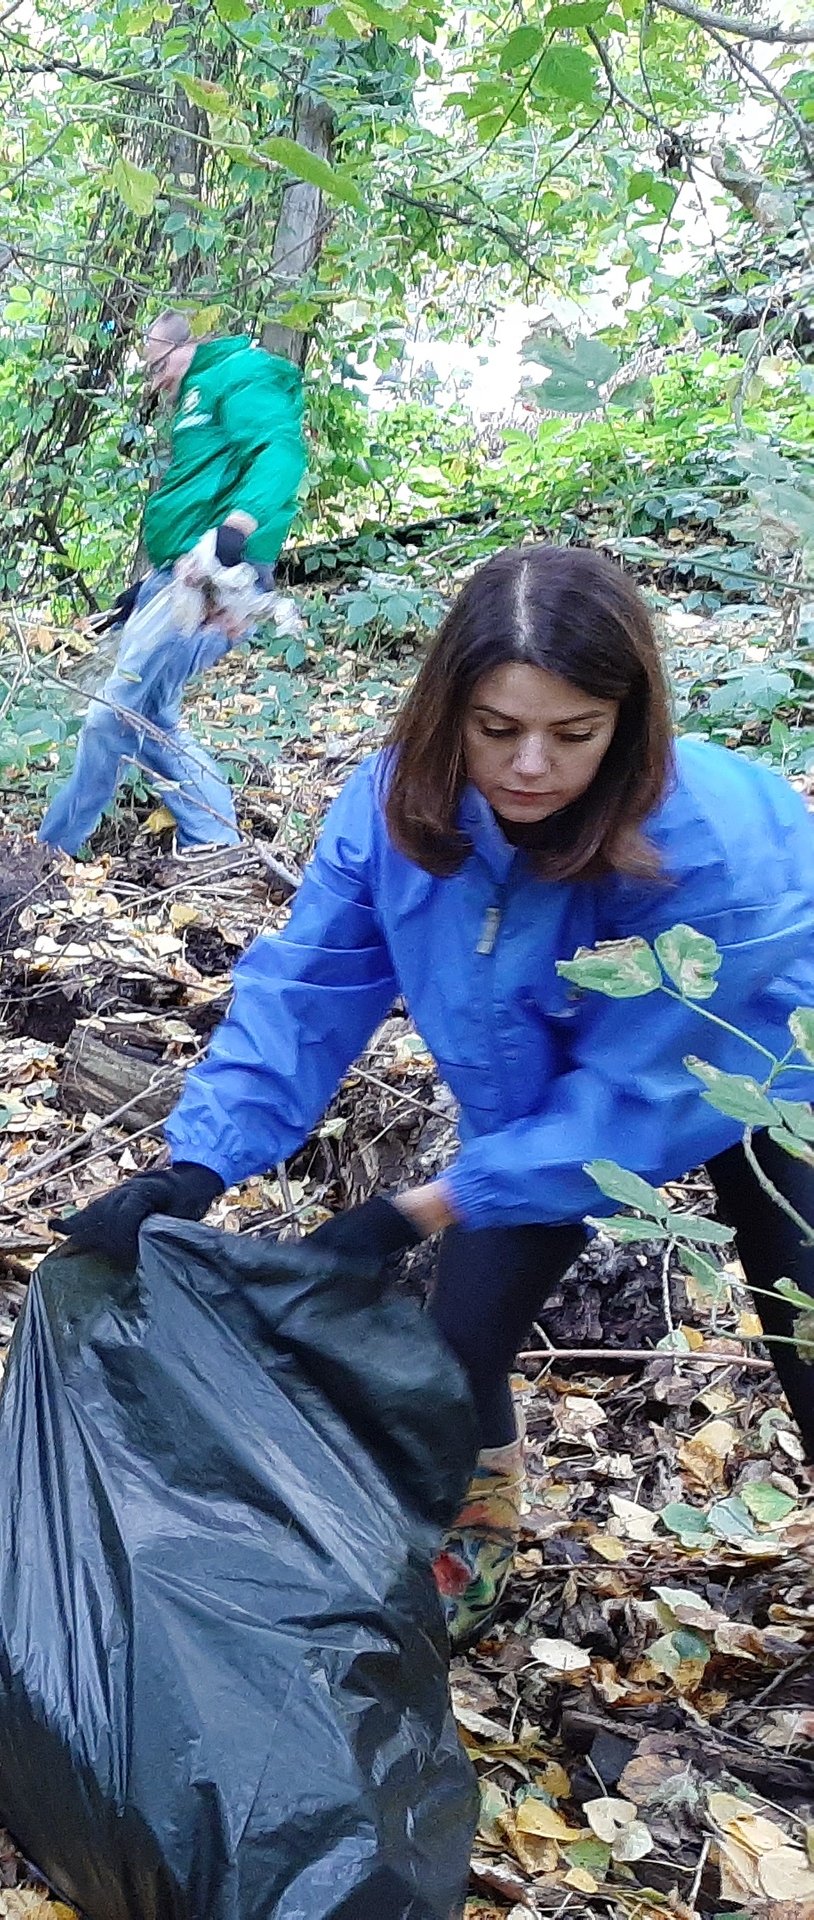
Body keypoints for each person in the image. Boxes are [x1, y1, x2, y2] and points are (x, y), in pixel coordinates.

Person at [57, 545, 814, 1647]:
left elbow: (638, 1100)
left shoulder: (706, 849)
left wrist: (416, 1208)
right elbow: (309, 988)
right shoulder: (396, 809)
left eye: (574, 733)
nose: (531, 767)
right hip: (536, 1084)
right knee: (456, 1346)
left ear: (629, 722)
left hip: (765, 1054)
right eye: (497, 728)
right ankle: (474, 1534)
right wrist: (197, 1164)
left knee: (806, 1324)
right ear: (449, 707)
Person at [40, 313, 308, 856]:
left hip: (219, 583)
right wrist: (144, 590)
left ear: (185, 346)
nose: (155, 381)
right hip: (178, 580)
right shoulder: (196, 395)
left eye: (158, 365)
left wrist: (238, 528)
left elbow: (279, 451)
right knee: (149, 716)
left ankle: (52, 849)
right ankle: (214, 841)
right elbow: (196, 498)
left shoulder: (239, 373)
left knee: (112, 715)